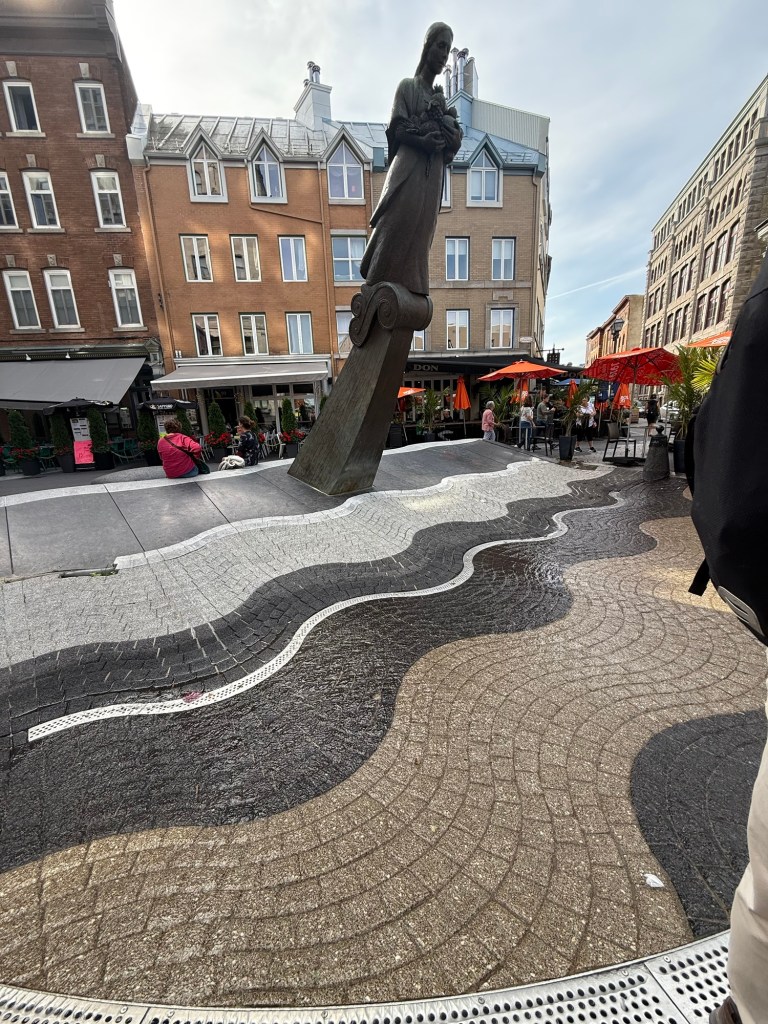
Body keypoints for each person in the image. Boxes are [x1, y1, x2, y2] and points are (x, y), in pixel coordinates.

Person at [359, 23, 463, 294]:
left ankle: (413, 289)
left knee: (422, 233)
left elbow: (450, 150)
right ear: (427, 47)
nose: (444, 54)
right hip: (408, 173)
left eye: (448, 49)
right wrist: (423, 141)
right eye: (440, 46)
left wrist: (452, 140)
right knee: (397, 225)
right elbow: (398, 128)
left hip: (432, 179)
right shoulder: (408, 87)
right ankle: (376, 288)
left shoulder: (442, 103)